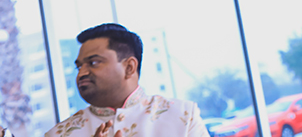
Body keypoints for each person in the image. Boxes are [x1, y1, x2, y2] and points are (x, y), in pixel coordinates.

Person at [45, 23, 210, 137]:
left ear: (130, 67)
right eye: (78, 66)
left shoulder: (182, 116)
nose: (82, 73)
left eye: (93, 63)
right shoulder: (59, 134)